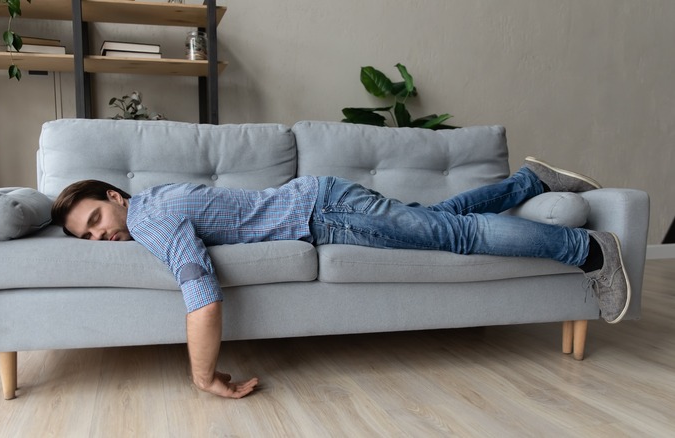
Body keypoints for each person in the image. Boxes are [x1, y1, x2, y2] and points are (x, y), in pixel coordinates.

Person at [50, 156, 630, 399]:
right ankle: (531, 182)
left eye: (96, 220)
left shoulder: (148, 218)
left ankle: (589, 251)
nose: (101, 236)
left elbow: (201, 296)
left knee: (457, 237)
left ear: (115, 197)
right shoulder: (155, 200)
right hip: (323, 202)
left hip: (325, 214)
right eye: (88, 237)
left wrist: (203, 378)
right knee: (438, 221)